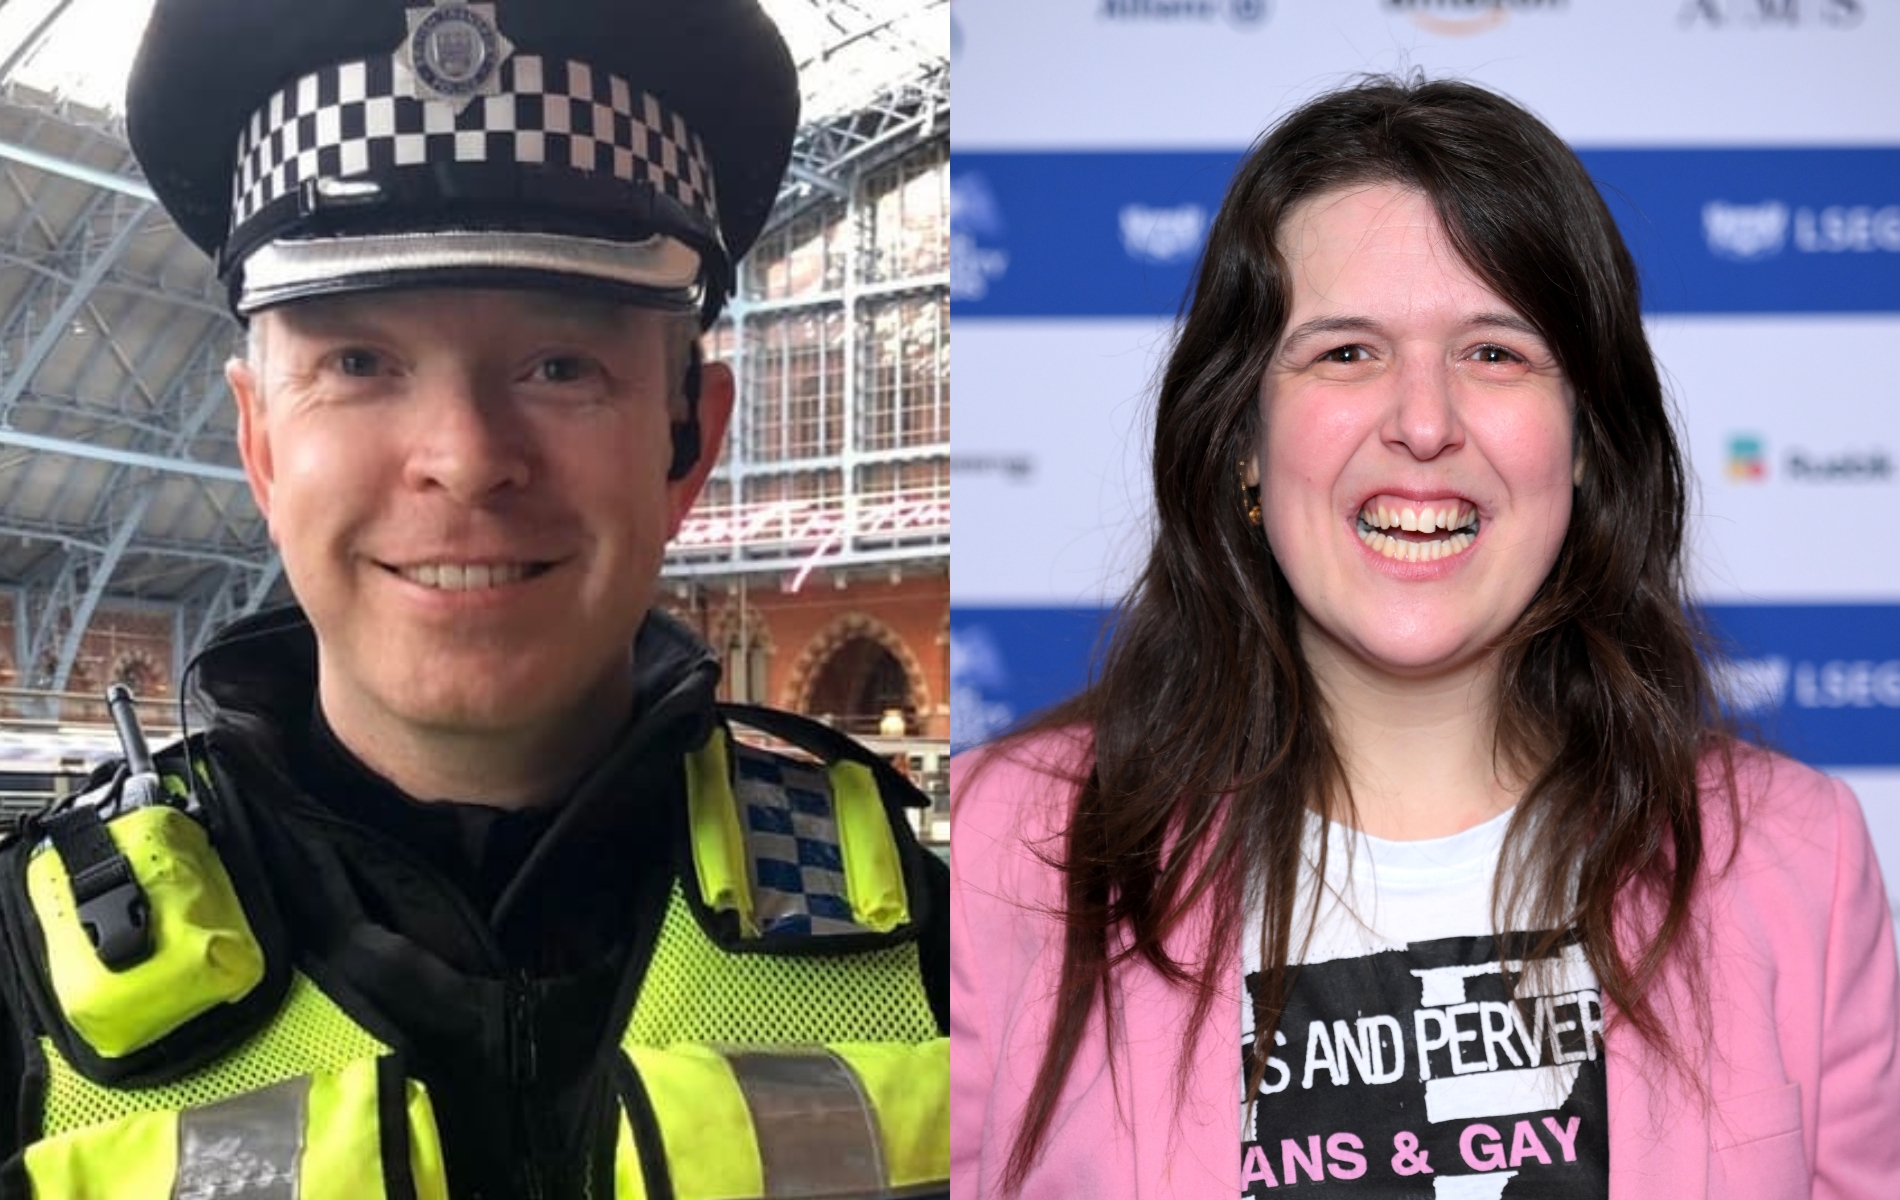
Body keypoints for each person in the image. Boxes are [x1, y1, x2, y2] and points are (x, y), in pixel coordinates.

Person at [0, 2, 949, 1197]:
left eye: (561, 366)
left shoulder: (962, 959)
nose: (463, 455)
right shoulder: (18, 999)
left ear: (686, 446)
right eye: (358, 363)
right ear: (259, 445)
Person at [950, 78, 1900, 1198]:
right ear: (1242, 440)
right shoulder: (1000, 850)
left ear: (1587, 442)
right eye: (1345, 353)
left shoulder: (1800, 860)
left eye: (1494, 353)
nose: (1423, 422)